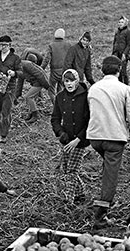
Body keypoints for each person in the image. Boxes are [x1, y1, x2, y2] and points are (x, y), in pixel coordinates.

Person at [86, 56, 130, 230]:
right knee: (110, 177)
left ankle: (100, 201)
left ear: (102, 70)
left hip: (95, 137)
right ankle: (100, 216)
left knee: (107, 170)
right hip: (114, 138)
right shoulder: (124, 89)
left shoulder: (94, 88)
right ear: (119, 70)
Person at [50, 69, 90, 204]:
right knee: (66, 168)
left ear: (77, 81)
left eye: (72, 80)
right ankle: (81, 193)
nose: (69, 84)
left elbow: (91, 120)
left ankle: (68, 200)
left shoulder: (86, 96)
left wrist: (79, 139)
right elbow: (55, 118)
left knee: (72, 171)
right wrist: (61, 133)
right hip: (66, 140)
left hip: (81, 140)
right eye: (66, 81)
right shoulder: (60, 97)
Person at [0, 35, 23, 144]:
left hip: (10, 88)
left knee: (5, 111)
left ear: (10, 45)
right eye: (1, 45)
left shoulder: (15, 58)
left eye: (5, 45)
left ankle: (3, 134)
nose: (3, 47)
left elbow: (21, 72)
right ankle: (0, 125)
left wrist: (14, 73)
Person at [14, 54, 55, 123]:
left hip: (40, 82)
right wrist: (16, 96)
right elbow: (19, 84)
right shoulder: (19, 70)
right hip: (35, 83)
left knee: (28, 97)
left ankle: (35, 116)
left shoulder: (26, 64)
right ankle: (31, 114)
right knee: (29, 98)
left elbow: (40, 74)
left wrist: (47, 86)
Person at [41, 28, 71, 94]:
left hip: (54, 71)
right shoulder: (68, 45)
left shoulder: (51, 45)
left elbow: (47, 59)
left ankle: (54, 103)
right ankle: (60, 103)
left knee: (51, 89)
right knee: (60, 88)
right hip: (64, 70)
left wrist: (41, 68)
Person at [112, 16, 130, 85]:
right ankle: (118, 87)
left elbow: (129, 44)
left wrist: (124, 54)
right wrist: (113, 53)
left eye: (122, 22)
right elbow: (114, 43)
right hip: (116, 54)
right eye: (119, 22)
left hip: (123, 54)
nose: (120, 23)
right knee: (116, 71)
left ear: (125, 23)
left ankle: (126, 87)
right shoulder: (117, 32)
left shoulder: (128, 32)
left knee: (123, 72)